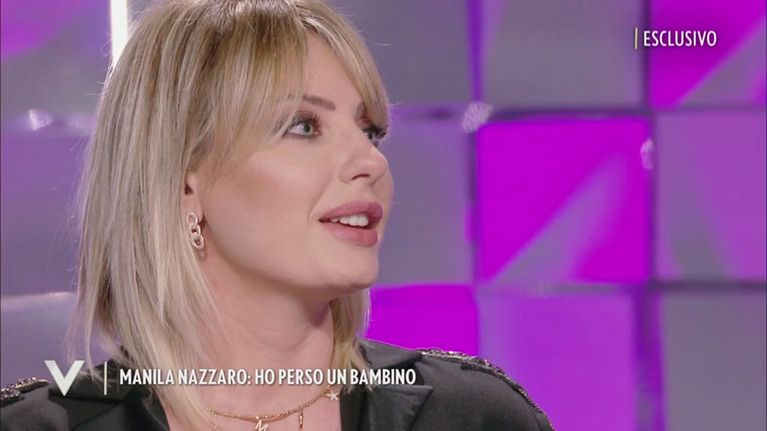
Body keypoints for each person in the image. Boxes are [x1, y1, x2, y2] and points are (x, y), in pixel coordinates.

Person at [0, 1, 554, 430]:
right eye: (304, 126)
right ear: (184, 183)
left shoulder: (472, 418)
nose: (371, 162)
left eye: (370, 131)